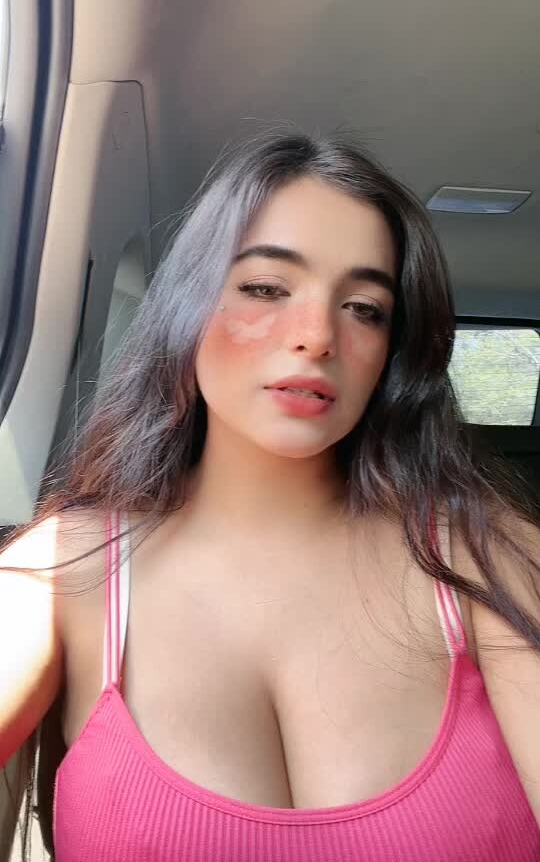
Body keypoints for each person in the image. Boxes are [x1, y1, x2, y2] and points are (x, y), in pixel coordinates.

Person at [0, 129, 539, 862]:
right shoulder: (66, 570)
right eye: (264, 288)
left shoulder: (486, 557)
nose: (317, 335)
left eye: (365, 308)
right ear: (188, 307)